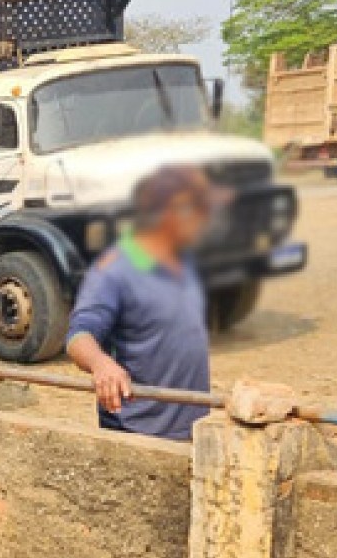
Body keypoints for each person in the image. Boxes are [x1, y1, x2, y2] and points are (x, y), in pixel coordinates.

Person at [65, 164, 222, 442]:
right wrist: (101, 364)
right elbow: (79, 336)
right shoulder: (114, 271)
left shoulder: (187, 260)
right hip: (139, 432)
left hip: (194, 428)